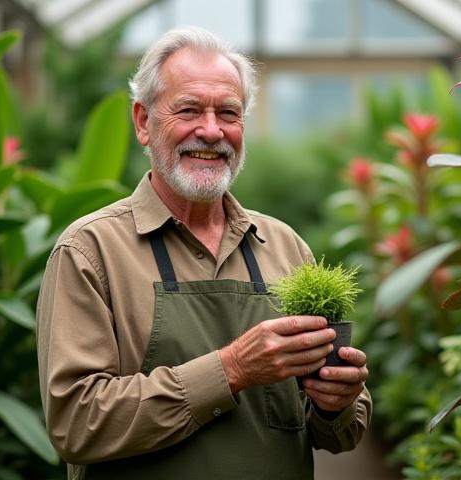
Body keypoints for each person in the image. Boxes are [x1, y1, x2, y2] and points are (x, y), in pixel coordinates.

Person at [36, 26, 372, 480]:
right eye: (189, 110)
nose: (211, 131)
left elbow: (340, 434)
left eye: (229, 114)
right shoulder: (91, 251)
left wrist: (339, 403)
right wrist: (231, 369)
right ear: (142, 121)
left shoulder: (284, 245)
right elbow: (77, 423)